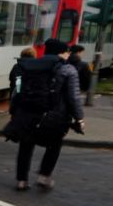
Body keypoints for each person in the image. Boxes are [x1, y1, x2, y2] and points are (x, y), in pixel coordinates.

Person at [7, 38, 85, 191]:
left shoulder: (28, 65)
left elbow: (18, 90)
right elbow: (73, 97)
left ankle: (21, 180)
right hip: (54, 117)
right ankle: (44, 176)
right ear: (61, 53)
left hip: (27, 113)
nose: (68, 55)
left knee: (25, 146)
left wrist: (13, 111)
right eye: (66, 52)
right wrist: (79, 117)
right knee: (54, 145)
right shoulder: (67, 69)